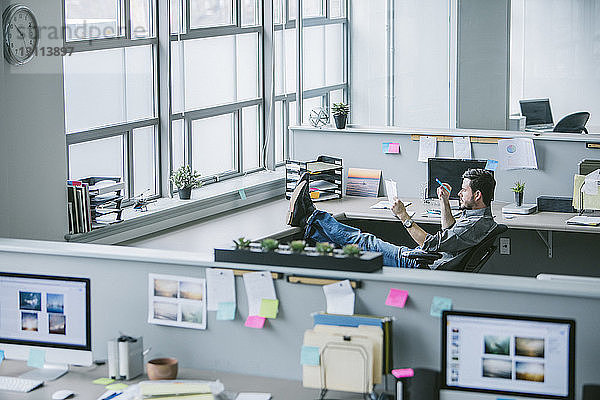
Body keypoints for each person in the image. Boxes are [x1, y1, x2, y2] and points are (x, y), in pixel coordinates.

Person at [286, 169, 497, 270]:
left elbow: (431, 243)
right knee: (353, 247)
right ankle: (309, 221)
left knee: (364, 241)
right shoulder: (479, 219)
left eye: (464, 190)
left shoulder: (476, 225)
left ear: (477, 195)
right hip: (426, 259)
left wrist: (403, 215)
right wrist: (443, 202)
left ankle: (311, 215)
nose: (459, 193)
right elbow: (449, 235)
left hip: (420, 264)